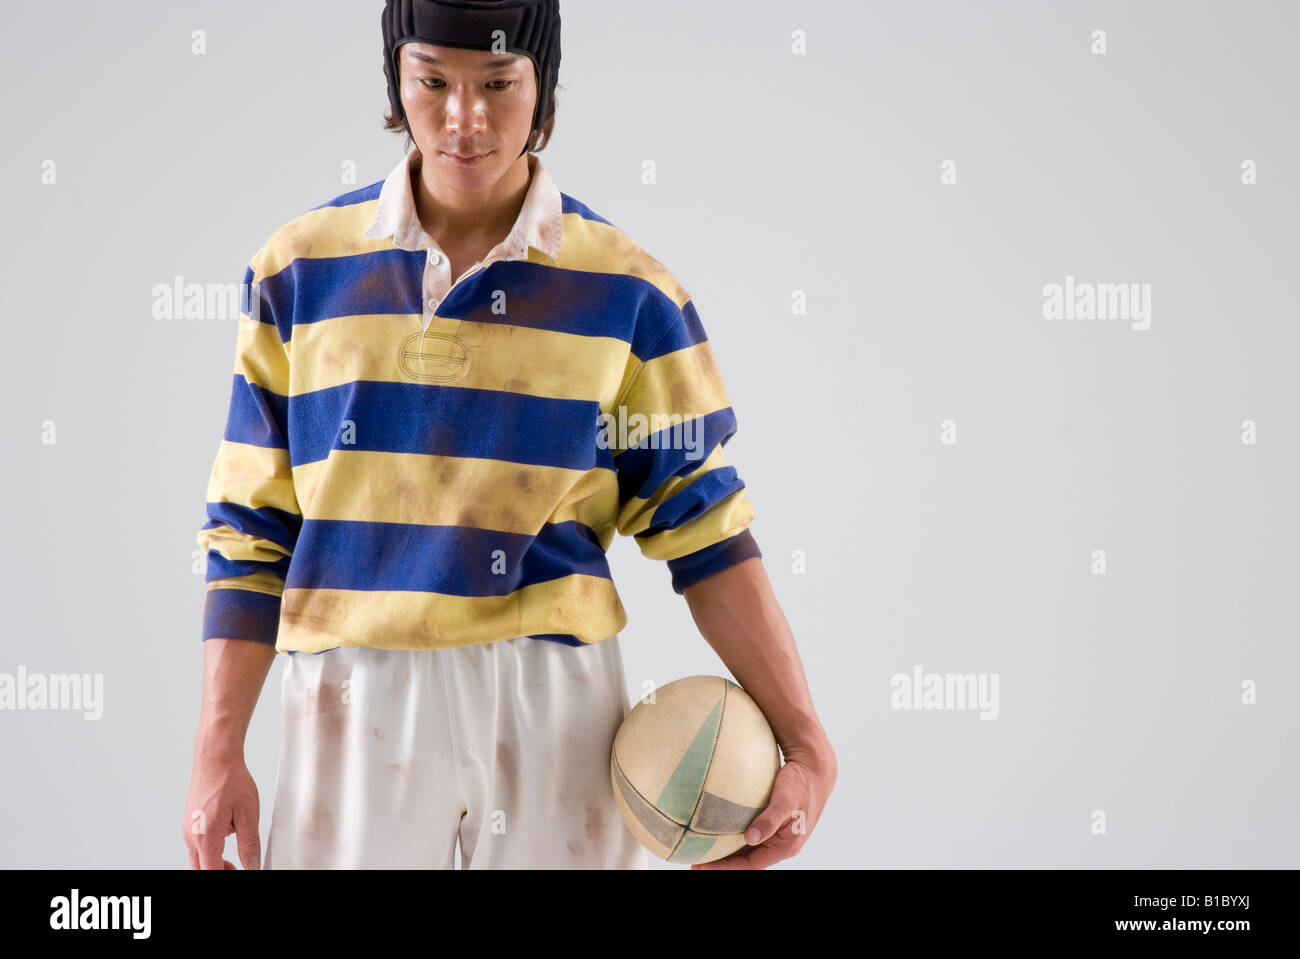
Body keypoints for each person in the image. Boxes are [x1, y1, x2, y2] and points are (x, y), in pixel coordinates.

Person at [183, 0, 836, 870]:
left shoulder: (629, 292)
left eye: (499, 82)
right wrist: (216, 750)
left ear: (544, 87)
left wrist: (807, 744)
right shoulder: (296, 271)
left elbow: (707, 528)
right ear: (396, 83)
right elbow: (250, 531)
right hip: (348, 692)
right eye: (432, 82)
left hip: (553, 700)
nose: (466, 118)